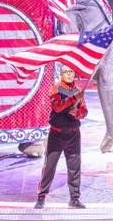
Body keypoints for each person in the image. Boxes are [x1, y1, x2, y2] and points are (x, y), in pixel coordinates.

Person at [35, 65, 88, 209]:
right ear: (61, 74)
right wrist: (73, 100)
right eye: (66, 72)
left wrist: (77, 114)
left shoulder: (78, 91)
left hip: (73, 134)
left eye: (71, 71)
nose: (69, 74)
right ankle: (41, 197)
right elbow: (57, 106)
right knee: (50, 167)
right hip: (57, 135)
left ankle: (75, 198)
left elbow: (84, 111)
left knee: (74, 167)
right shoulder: (55, 89)